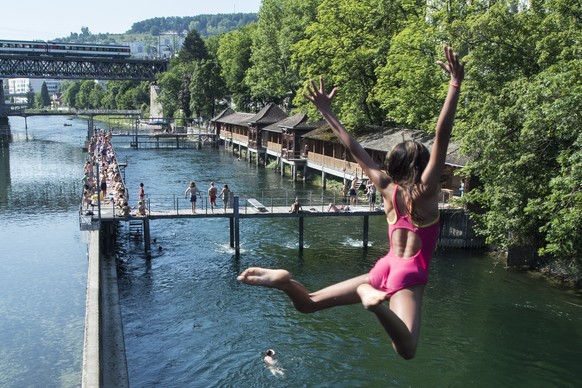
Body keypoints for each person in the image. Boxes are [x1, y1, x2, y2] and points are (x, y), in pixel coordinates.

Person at [237, 46, 465, 360]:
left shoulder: (386, 188)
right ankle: (373, 304)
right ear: (422, 166)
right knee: (407, 349)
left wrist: (326, 111)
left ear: (394, 166)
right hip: (407, 274)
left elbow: (354, 147)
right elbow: (442, 135)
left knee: (309, 303)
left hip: (384, 267)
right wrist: (455, 85)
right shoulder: (424, 193)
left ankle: (285, 282)